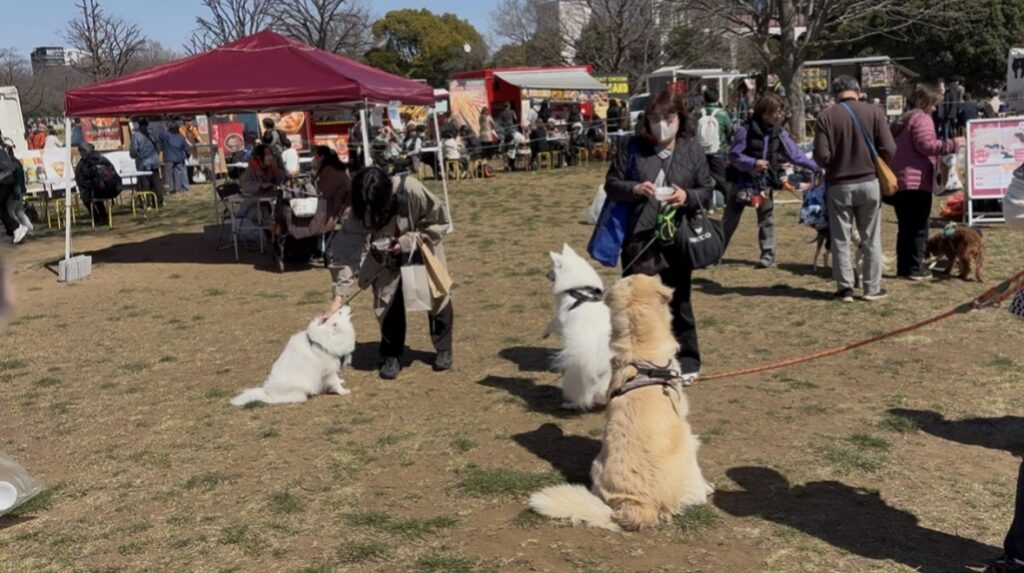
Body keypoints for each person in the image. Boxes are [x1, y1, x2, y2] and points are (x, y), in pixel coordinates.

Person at [604, 87, 714, 383]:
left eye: (668, 117)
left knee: (680, 301)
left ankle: (687, 360)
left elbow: (707, 190)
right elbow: (612, 184)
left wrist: (687, 196)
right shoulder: (631, 147)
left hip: (678, 236)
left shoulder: (691, 149)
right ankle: (640, 360)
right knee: (638, 303)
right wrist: (635, 188)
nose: (662, 124)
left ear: (680, 117)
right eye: (655, 118)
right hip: (639, 239)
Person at [323, 166, 453, 380]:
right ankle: (392, 354)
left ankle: (444, 348)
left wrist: (406, 241)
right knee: (386, 300)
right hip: (385, 258)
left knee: (436, 296)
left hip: (421, 248)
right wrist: (338, 298)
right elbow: (344, 251)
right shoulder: (360, 206)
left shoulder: (411, 190)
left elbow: (439, 221)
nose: (370, 216)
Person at [813, 75, 897, 302]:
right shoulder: (874, 112)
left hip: (839, 185)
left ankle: (845, 288)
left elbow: (822, 156)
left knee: (840, 238)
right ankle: (872, 288)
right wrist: (879, 163)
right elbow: (889, 147)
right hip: (869, 182)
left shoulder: (825, 117)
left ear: (834, 94)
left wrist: (835, 164)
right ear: (858, 91)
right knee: (871, 237)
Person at [724, 93, 820, 268]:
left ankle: (768, 254)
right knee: (730, 219)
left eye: (780, 112)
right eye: (776, 112)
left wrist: (815, 167)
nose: (779, 115)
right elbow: (733, 155)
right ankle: (714, 252)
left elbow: (795, 155)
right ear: (764, 113)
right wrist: (753, 163)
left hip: (764, 183)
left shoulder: (779, 133)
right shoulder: (745, 130)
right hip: (741, 181)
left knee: (766, 219)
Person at [890, 83, 962, 281]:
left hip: (900, 179)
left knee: (905, 227)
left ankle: (904, 267)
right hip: (917, 180)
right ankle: (915, 268)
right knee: (918, 227)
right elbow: (926, 145)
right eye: (934, 104)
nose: (935, 108)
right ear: (925, 101)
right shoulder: (921, 119)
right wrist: (954, 144)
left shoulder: (903, 119)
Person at [696, 88, 734, 210]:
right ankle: (730, 205)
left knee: (704, 181)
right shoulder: (722, 114)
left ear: (704, 98)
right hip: (718, 151)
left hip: (700, 152)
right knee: (724, 180)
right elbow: (729, 130)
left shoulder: (698, 113)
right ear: (718, 98)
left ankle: (708, 206)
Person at [74, 143, 122, 222]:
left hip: (97, 192)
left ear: (82, 152)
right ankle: (104, 216)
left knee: (86, 195)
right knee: (97, 190)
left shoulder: (82, 164)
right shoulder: (103, 159)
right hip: (113, 190)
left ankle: (96, 218)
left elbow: (80, 181)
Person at [129, 118, 165, 206]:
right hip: (154, 162)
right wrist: (155, 155)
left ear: (139, 124)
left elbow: (133, 151)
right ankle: (158, 202)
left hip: (143, 164)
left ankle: (146, 203)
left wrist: (134, 155)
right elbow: (158, 147)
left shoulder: (136, 136)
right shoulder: (152, 134)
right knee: (156, 183)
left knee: (144, 185)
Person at [0, 134, 28, 244]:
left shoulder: (2, 154)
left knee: (4, 210)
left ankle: (17, 228)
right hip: (7, 182)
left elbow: (8, 169)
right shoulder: (4, 153)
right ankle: (13, 230)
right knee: (4, 209)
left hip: (5, 182)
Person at [312, 145, 351, 221]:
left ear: (321, 158)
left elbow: (326, 194)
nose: (314, 159)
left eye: (315, 156)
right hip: (344, 203)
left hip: (339, 207)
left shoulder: (328, 171)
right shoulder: (334, 168)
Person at [160, 123, 191, 193]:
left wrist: (165, 129)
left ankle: (169, 189)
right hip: (179, 158)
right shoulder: (181, 137)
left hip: (169, 158)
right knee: (178, 174)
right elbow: (186, 147)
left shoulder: (166, 135)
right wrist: (187, 155)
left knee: (168, 175)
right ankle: (177, 188)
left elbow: (160, 135)